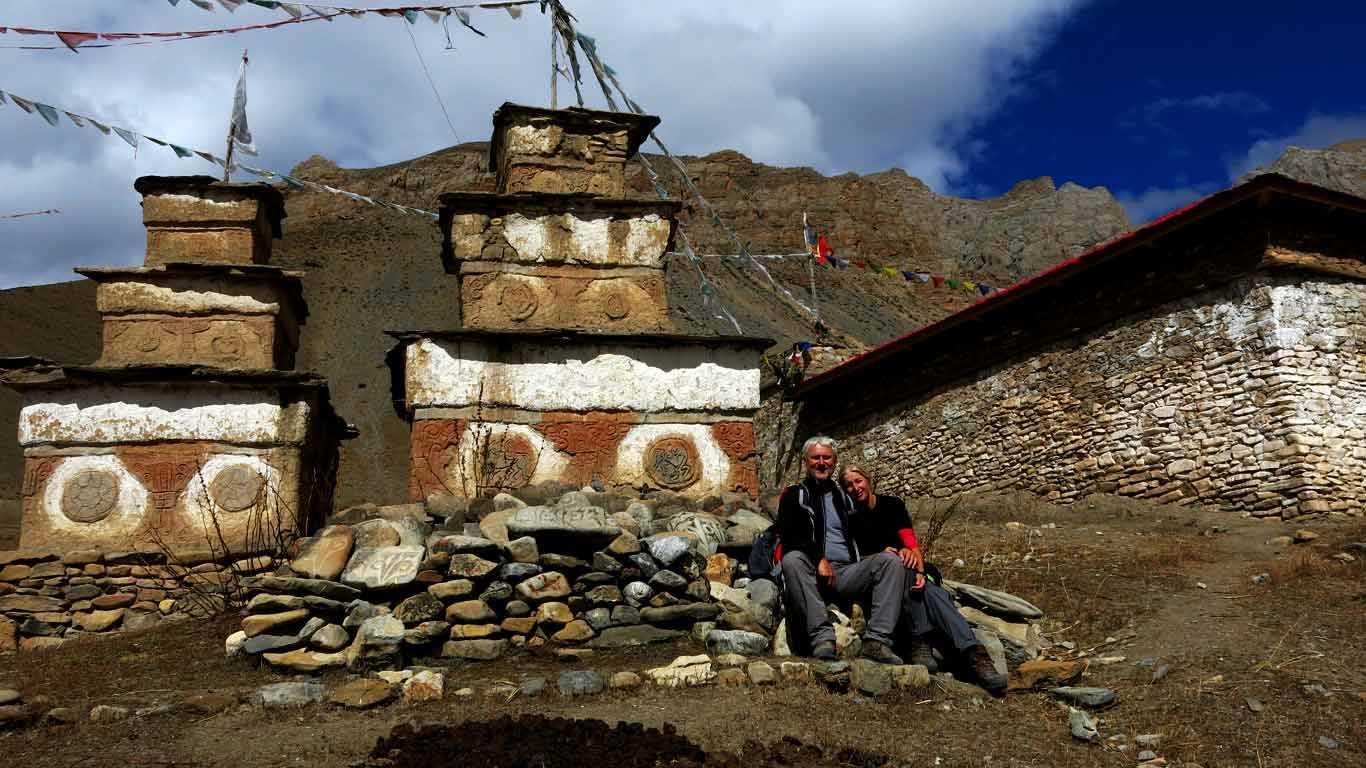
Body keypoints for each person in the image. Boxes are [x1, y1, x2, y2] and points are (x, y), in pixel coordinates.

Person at [841, 465, 1007, 693]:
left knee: (925, 584)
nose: (854, 488)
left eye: (858, 481)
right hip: (886, 578)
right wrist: (882, 556)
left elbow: (912, 546)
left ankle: (929, 644)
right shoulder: (849, 519)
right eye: (848, 485)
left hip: (912, 570)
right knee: (917, 579)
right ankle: (973, 654)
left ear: (868, 481)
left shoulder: (892, 505)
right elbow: (858, 560)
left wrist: (918, 570)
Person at [777, 436, 905, 664]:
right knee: (792, 559)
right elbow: (791, 533)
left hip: (846, 572)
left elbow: (863, 530)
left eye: (827, 458)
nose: (821, 463)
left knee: (890, 561)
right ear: (806, 462)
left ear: (834, 462)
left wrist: (885, 548)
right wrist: (819, 559)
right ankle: (822, 639)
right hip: (810, 572)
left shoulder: (844, 497)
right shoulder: (795, 494)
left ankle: (877, 641)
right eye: (816, 458)